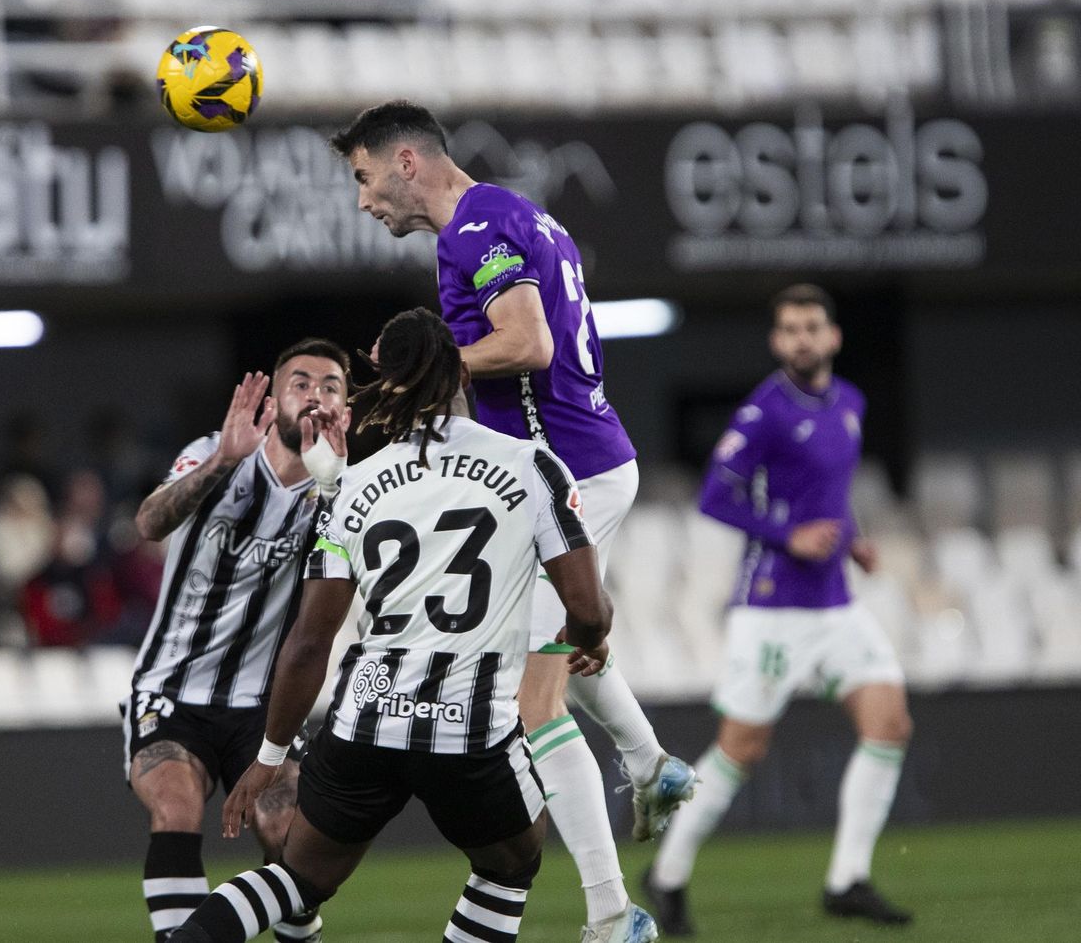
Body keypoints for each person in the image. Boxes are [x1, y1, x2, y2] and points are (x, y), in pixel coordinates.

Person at [328, 101, 691, 935]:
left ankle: (611, 914)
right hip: (576, 464)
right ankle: (649, 764)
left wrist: (417, 371)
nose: (363, 200)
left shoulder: (473, 230)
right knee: (563, 643)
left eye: (363, 177)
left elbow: (528, 345)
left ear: (407, 161)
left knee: (532, 701)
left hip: (566, 475)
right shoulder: (513, 214)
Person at [169, 307, 623, 943]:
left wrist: (269, 756)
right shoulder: (532, 466)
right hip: (468, 734)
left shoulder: (352, 486)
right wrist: (593, 640)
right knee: (509, 864)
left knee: (298, 879)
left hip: (365, 723)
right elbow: (587, 607)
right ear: (461, 372)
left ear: (387, 381)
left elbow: (308, 644)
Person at [643, 285, 914, 934]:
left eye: (810, 327)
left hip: (835, 604)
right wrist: (785, 535)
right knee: (740, 750)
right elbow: (715, 496)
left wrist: (854, 541)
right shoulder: (763, 411)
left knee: (889, 723)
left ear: (832, 338)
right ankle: (667, 872)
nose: (800, 339)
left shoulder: (850, 402)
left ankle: (846, 879)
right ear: (776, 341)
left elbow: (832, 494)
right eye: (789, 329)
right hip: (772, 606)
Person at [127, 338, 351, 943]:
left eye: (330, 385)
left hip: (260, 703)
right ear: (274, 397)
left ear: (345, 407)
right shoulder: (213, 454)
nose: (314, 393)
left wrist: (337, 487)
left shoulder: (345, 495)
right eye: (300, 382)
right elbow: (148, 524)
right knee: (176, 808)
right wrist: (224, 460)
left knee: (290, 839)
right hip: (172, 689)